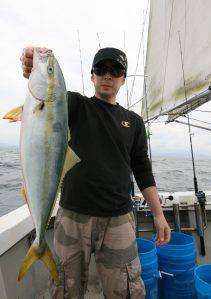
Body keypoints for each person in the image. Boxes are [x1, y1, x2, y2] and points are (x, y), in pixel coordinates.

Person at [20, 46, 171, 298]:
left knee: (125, 291)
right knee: (65, 289)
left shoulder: (133, 122)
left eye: (115, 70)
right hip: (72, 216)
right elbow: (50, 98)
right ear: (92, 76)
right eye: (101, 69)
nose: (107, 75)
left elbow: (143, 170)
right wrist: (32, 66)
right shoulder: (77, 106)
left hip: (119, 219)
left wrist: (159, 214)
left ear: (123, 79)